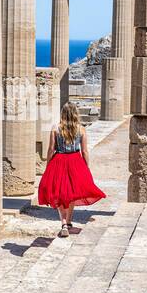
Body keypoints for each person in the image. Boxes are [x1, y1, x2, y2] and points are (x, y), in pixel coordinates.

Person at [37, 101, 106, 237]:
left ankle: (63, 223)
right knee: (72, 192)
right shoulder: (81, 129)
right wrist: (86, 167)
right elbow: (85, 151)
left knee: (60, 193)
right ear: (75, 114)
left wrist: (48, 165)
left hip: (59, 160)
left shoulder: (56, 128)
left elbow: (51, 149)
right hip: (75, 160)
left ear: (63, 114)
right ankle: (68, 222)